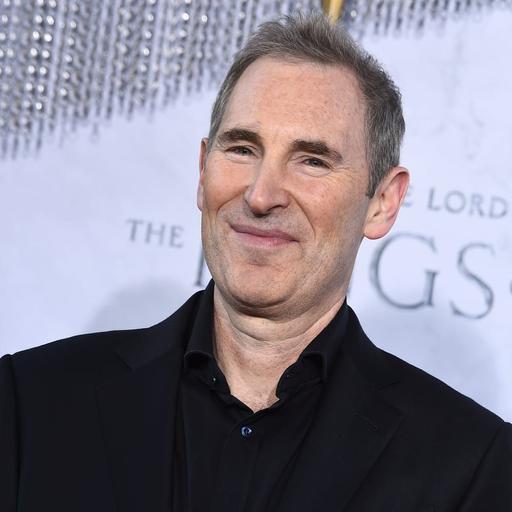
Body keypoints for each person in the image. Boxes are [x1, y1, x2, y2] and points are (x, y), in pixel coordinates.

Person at [1, 12, 511, 512]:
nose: (261, 195)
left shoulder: (474, 468)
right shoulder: (30, 401)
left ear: (382, 202)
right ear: (203, 171)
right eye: (242, 149)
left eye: (312, 160)